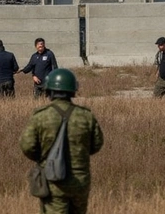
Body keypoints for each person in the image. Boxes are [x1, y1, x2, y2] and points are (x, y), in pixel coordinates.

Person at [19, 68, 104, 214]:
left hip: (53, 179)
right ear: (73, 90)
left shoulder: (41, 116)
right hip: (80, 180)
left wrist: (43, 158)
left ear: (49, 90)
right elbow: (96, 144)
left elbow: (27, 146)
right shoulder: (86, 116)